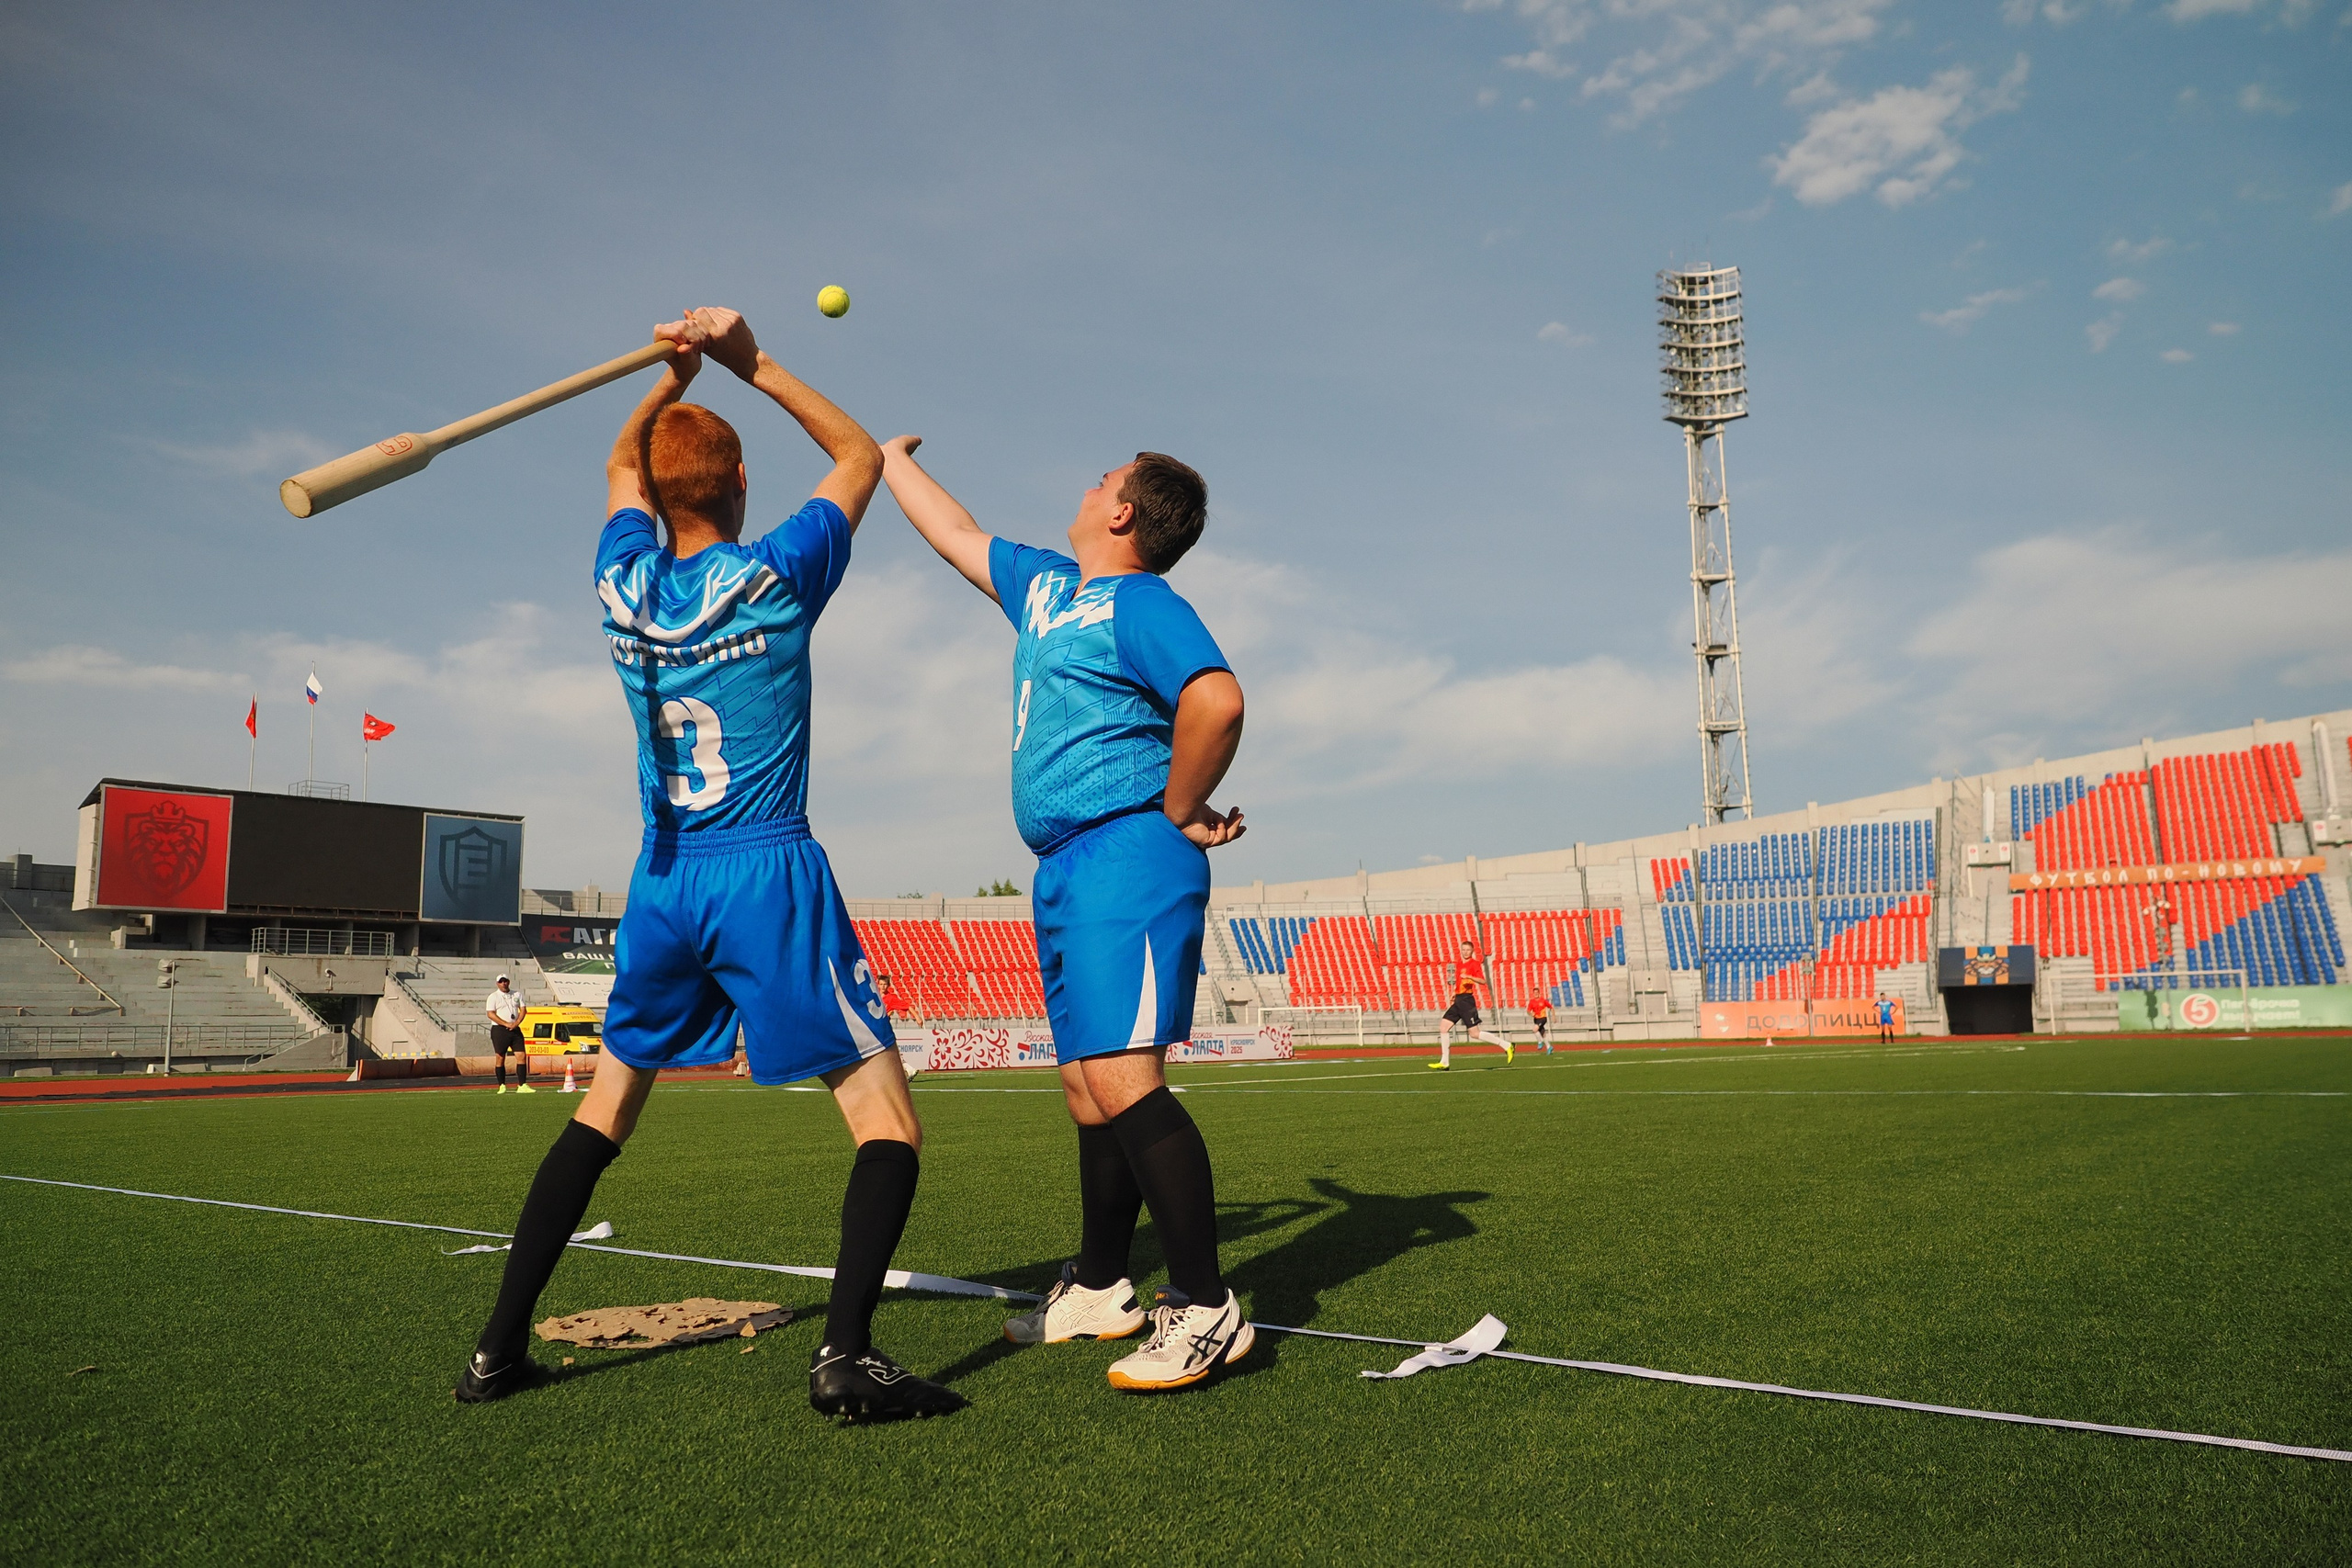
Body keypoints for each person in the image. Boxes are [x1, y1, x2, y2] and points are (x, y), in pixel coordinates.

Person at [457, 307, 962, 1424]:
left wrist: (660, 383)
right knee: (887, 1124)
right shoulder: (775, 575)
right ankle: (844, 1357)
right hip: (766, 871)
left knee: (603, 1111)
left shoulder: (621, 583)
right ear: (735, 485)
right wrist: (748, 360)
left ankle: (495, 1352)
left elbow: (613, 466)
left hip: (665, 878)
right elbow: (861, 455)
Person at [882, 434, 1251, 1393]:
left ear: (1124, 512)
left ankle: (1207, 1307)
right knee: (1088, 1086)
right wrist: (885, 460)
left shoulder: (1143, 604)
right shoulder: (1048, 588)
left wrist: (1176, 809)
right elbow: (954, 533)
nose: (1087, 486)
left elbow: (1216, 700)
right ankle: (1098, 1285)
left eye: (1102, 481)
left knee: (1126, 1080)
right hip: (1067, 865)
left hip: (1128, 855)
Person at [1432, 939, 1513, 1070]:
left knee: (1474, 1034)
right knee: (1443, 1027)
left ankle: (1506, 1045)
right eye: (1463, 949)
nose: (1465, 952)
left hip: (1467, 1001)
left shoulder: (1474, 964)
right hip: (1458, 999)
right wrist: (1454, 992)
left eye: (1468, 950)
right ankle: (1444, 1062)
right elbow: (1459, 982)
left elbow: (1482, 980)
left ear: (1472, 951)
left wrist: (1470, 977)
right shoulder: (1458, 964)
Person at [485, 976, 533, 1093]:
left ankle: (522, 1085)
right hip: (500, 1030)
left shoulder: (516, 994)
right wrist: (506, 1024)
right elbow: (490, 1014)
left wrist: (516, 1023)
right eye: (501, 982)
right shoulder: (493, 997)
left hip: (515, 1029)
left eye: (505, 981)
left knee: (521, 1056)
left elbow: (523, 1010)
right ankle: (502, 1085)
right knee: (500, 1057)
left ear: (508, 982)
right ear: (497, 983)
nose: (503, 983)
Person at [1526, 988, 1551, 1055]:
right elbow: (1528, 1011)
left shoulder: (1543, 1000)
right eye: (1535, 993)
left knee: (1534, 1030)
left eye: (1537, 992)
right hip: (1536, 1019)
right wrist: (1531, 1014)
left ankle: (1540, 1042)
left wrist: (1554, 1016)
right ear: (1533, 994)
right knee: (1543, 1033)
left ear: (1539, 993)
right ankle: (1549, 1047)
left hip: (1542, 1018)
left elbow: (1550, 1006)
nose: (1536, 994)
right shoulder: (1531, 1002)